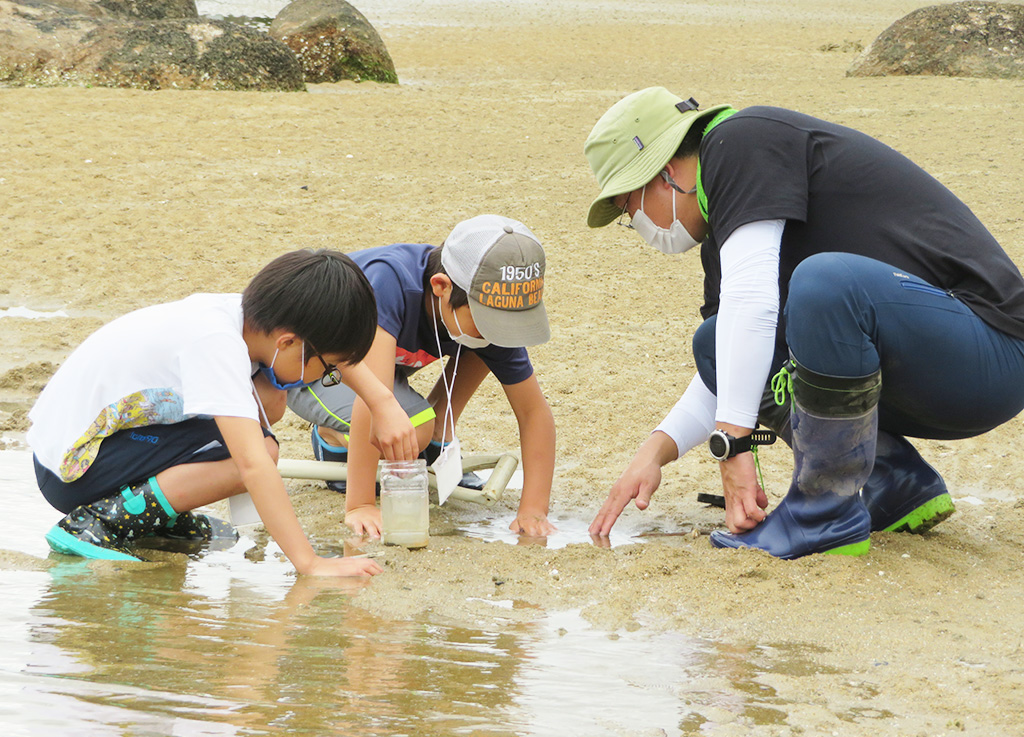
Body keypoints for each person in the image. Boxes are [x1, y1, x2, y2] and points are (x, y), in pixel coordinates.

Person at [582, 86, 1024, 559]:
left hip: (991, 353)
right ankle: (892, 480)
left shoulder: (740, 141)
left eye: (628, 208)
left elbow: (753, 304)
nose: (637, 224)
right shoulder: (725, 233)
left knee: (824, 282)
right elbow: (731, 362)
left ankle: (823, 513)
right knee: (715, 340)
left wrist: (733, 446)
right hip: (924, 368)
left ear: (664, 174)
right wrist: (656, 450)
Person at [28, 248, 421, 576]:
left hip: (97, 445)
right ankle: (100, 521)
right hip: (71, 470)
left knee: (267, 401)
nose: (327, 377)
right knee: (259, 450)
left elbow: (329, 353)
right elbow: (253, 466)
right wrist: (309, 562)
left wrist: (382, 402)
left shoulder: (245, 318)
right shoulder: (216, 345)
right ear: (287, 342)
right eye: (328, 369)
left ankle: (155, 512)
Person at [287, 214, 557, 538]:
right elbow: (373, 398)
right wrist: (360, 504)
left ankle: (439, 436)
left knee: (489, 347)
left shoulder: (474, 306)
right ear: (441, 287)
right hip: (314, 370)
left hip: (380, 371)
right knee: (416, 426)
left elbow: (533, 412)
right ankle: (332, 438)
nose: (495, 329)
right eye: (486, 318)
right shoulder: (389, 283)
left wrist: (533, 510)